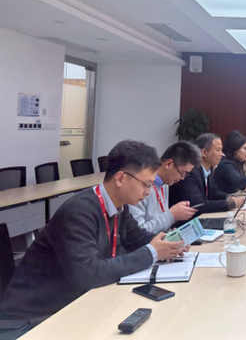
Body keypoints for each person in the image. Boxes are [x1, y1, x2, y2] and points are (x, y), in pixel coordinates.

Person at [0, 140, 187, 327]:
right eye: (146, 185)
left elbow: (135, 237)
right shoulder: (79, 212)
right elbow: (88, 275)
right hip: (32, 317)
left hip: (74, 303)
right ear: (120, 179)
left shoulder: (120, 206)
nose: (148, 193)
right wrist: (152, 252)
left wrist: (167, 244)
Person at [129, 141, 201, 234]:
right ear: (168, 164)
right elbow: (138, 233)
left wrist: (169, 234)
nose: (182, 178)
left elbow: (159, 224)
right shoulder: (140, 186)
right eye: (182, 173)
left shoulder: (165, 184)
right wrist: (171, 215)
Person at [169, 133, 243, 213]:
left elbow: (214, 192)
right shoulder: (190, 172)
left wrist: (228, 197)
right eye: (218, 150)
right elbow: (198, 204)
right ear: (204, 152)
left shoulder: (207, 170)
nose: (221, 154)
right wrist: (230, 203)